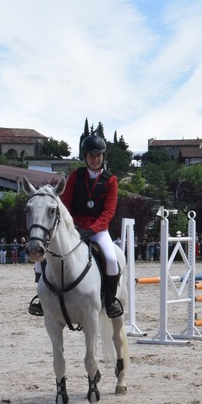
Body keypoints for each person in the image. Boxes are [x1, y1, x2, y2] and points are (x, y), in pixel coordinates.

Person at [28, 135, 123, 318]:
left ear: (103, 156)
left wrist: (92, 229)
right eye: (91, 155)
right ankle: (41, 299)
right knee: (42, 257)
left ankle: (111, 301)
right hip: (74, 228)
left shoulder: (110, 180)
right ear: (85, 156)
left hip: (98, 230)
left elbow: (108, 212)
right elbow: (64, 204)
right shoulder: (75, 176)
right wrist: (72, 226)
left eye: (98, 155)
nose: (95, 159)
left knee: (111, 259)